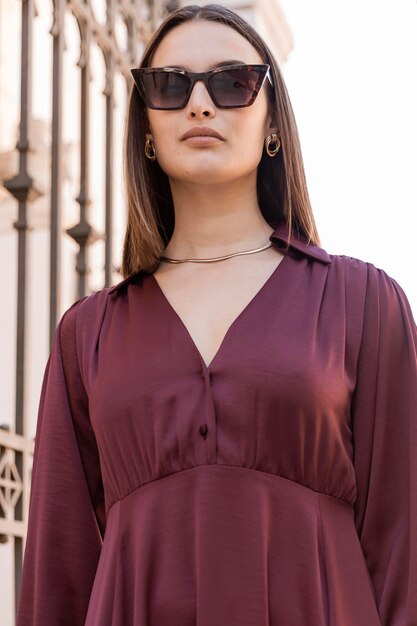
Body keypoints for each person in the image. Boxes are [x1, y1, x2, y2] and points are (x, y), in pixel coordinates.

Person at [16, 4, 416, 626]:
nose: (200, 104)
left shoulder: (363, 304)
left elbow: (403, 549)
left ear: (271, 121)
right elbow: (56, 576)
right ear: (146, 128)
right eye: (170, 86)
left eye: (233, 83)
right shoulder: (88, 336)